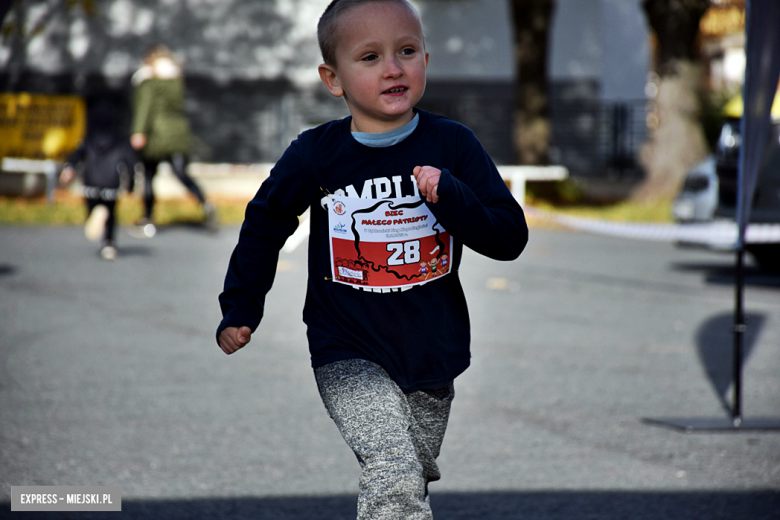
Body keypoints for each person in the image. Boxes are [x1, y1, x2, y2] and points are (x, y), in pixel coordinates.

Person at [216, 0, 528, 517]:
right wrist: (242, 305)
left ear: (426, 58)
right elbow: (265, 222)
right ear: (333, 79)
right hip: (347, 349)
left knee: (410, 475)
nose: (393, 67)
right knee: (393, 467)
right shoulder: (317, 154)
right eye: (370, 57)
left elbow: (508, 237)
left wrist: (451, 195)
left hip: (432, 353)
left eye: (406, 51)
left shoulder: (453, 145)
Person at [130, 44, 215, 236]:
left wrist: (138, 131)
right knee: (181, 173)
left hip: (155, 136)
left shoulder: (148, 82)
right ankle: (205, 203)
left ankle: (148, 219)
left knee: (149, 177)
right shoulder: (176, 81)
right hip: (178, 135)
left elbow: (145, 108)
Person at [61, 94, 138, 261]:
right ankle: (109, 244)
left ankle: (94, 213)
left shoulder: (90, 138)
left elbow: (77, 155)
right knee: (111, 212)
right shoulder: (120, 139)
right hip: (111, 182)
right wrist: (131, 184)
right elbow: (130, 163)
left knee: (92, 209)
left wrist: (69, 168)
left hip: (91, 180)